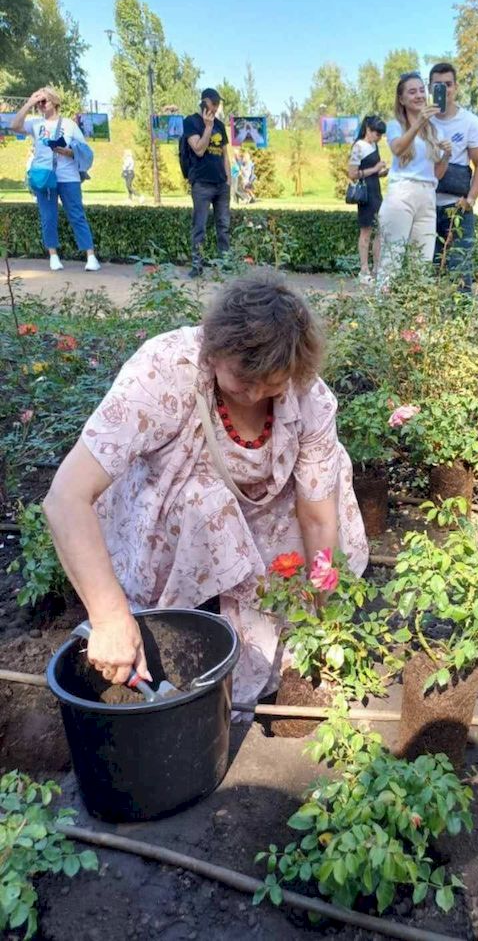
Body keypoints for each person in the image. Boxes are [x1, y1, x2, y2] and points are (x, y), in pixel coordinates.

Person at [42, 271, 369, 705]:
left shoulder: (310, 398)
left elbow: (317, 516)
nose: (254, 396)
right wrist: (109, 617)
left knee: (326, 480)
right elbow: (65, 497)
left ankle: (261, 648)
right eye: (242, 380)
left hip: (265, 515)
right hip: (176, 507)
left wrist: (329, 614)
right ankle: (190, 625)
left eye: (270, 384)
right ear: (213, 353)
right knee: (206, 503)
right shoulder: (163, 371)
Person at [10, 87, 100, 272]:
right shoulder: (35, 124)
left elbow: (85, 150)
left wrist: (68, 152)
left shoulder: (69, 125)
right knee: (48, 217)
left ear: (55, 102)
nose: (41, 105)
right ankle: (53, 255)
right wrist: (29, 103)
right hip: (44, 176)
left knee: (77, 215)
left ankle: (90, 256)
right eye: (39, 102)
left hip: (68, 177)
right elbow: (14, 126)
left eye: (44, 101)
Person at [375, 73, 452, 287]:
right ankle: (382, 312)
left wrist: (447, 155)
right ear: (401, 99)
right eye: (412, 91)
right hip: (402, 194)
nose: (419, 95)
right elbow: (398, 149)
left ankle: (419, 317)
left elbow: (437, 173)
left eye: (421, 90)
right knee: (392, 260)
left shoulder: (436, 129)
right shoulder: (395, 125)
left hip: (427, 195)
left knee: (423, 262)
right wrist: (418, 123)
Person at [429, 63, 478, 292]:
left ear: (456, 87)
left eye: (448, 84)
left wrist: (471, 199)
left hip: (457, 207)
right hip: (425, 206)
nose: (444, 89)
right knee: (427, 268)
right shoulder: (423, 120)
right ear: (430, 88)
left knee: (460, 269)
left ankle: (461, 321)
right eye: (438, 85)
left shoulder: (469, 122)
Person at [183, 88, 232, 278]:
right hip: (202, 184)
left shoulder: (220, 124)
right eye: (214, 103)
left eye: (218, 103)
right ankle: (197, 265)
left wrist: (228, 180)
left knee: (223, 226)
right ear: (204, 103)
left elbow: (225, 155)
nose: (217, 107)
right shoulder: (191, 122)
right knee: (200, 226)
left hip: (221, 184)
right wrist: (208, 127)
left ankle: (225, 264)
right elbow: (198, 150)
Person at [347, 115, 388, 284]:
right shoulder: (358, 147)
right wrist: (375, 169)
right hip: (366, 193)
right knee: (366, 231)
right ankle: (364, 269)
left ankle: (377, 267)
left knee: (379, 230)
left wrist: (382, 172)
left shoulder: (374, 146)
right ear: (368, 130)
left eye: (381, 134)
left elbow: (373, 171)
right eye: (377, 133)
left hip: (376, 190)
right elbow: (353, 174)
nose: (379, 137)